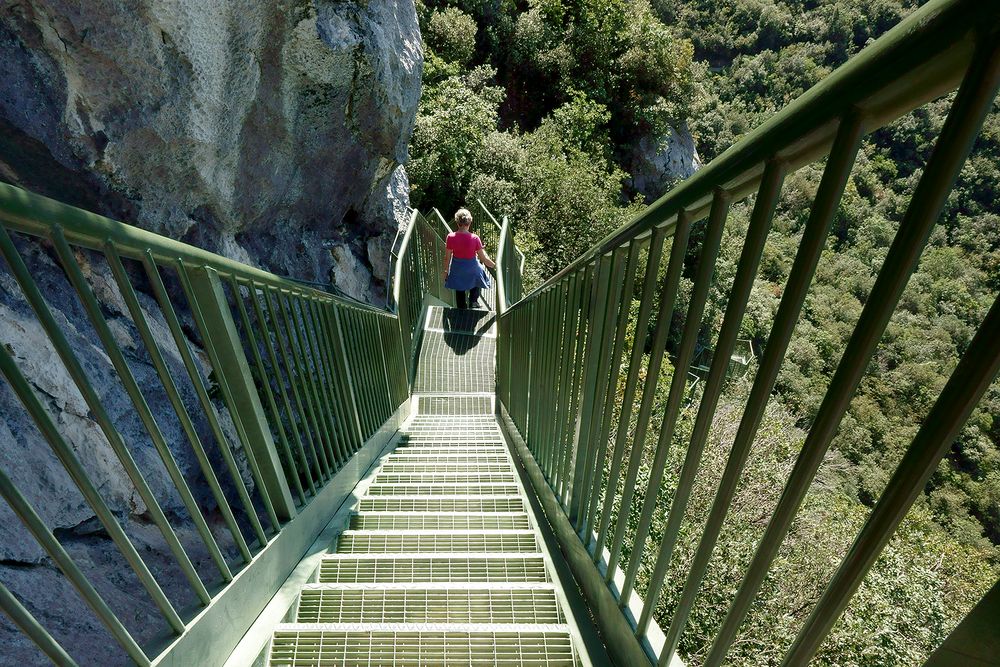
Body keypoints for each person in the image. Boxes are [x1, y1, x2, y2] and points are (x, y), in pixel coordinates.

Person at [443, 208, 496, 309]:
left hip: (457, 270)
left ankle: (461, 308)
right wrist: (495, 266)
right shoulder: (475, 238)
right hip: (471, 270)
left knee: (459, 287)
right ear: (470, 222)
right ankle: (473, 301)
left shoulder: (450, 237)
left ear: (457, 222)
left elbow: (447, 258)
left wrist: (446, 271)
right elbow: (484, 259)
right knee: (478, 273)